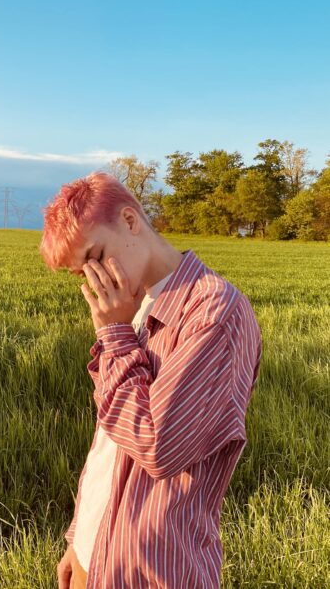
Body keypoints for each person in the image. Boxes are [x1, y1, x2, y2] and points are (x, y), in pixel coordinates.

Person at [39, 171, 262, 588]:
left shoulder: (214, 313)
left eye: (96, 255)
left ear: (129, 220)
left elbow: (159, 445)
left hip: (151, 572)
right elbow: (111, 437)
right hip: (98, 555)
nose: (93, 279)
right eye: (80, 273)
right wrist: (78, 538)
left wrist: (113, 335)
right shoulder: (135, 306)